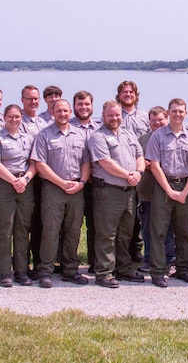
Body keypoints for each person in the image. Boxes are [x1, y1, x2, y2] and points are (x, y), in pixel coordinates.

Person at [31, 99, 92, 288]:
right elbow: (40, 164)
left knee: (73, 231)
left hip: (76, 189)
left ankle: (70, 270)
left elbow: (86, 162)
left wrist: (81, 182)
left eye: (66, 110)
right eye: (59, 111)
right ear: (53, 112)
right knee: (50, 230)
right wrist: (61, 182)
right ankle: (46, 271)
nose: (63, 114)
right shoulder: (44, 135)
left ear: (70, 111)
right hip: (53, 189)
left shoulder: (80, 135)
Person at [88, 100, 146, 288]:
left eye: (117, 115)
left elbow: (140, 155)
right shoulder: (98, 137)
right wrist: (129, 175)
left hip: (128, 192)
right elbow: (105, 162)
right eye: (110, 115)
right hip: (108, 192)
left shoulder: (128, 134)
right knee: (107, 233)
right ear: (103, 116)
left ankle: (124, 268)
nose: (114, 118)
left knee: (125, 233)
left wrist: (139, 172)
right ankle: (104, 272)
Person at [145, 99, 188, 287]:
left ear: (185, 114)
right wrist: (168, 190)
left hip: (185, 187)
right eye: (174, 111)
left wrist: (185, 191)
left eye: (181, 111)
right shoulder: (158, 136)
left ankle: (183, 269)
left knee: (184, 231)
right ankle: (158, 272)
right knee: (159, 232)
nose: (178, 114)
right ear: (169, 113)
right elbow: (154, 165)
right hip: (163, 187)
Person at [0, 104, 38, 287]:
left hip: (24, 185)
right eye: (10, 116)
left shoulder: (29, 138)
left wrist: (25, 179)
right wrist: (13, 180)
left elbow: (34, 162)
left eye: (17, 116)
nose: (14, 120)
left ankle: (21, 270)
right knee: (4, 230)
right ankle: (5, 271)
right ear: (4, 118)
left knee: (23, 230)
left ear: (21, 117)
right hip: (4, 185)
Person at [70, 90, 103, 275]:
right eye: (80, 104)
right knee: (70, 225)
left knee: (95, 224)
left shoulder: (99, 128)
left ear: (92, 106)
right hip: (71, 183)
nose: (84, 107)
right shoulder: (66, 126)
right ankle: (67, 263)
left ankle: (94, 262)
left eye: (87, 104)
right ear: (74, 106)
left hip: (94, 184)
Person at [116, 80, 150, 263]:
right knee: (123, 212)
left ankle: (137, 248)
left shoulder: (145, 117)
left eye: (131, 92)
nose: (128, 95)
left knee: (139, 212)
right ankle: (121, 250)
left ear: (136, 95)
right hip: (120, 170)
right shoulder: (114, 115)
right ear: (119, 95)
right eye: (124, 92)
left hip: (141, 170)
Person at [19, 84, 47, 277]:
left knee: (39, 223)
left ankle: (38, 262)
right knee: (22, 225)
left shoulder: (43, 123)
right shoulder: (16, 121)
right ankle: (20, 265)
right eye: (29, 98)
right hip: (22, 179)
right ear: (22, 100)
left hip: (41, 180)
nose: (33, 102)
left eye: (36, 98)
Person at [136, 106, 168, 273]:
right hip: (147, 190)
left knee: (167, 228)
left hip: (168, 190)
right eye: (153, 121)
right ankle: (148, 258)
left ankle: (168, 259)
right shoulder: (142, 140)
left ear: (166, 119)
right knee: (148, 227)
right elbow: (138, 159)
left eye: (160, 120)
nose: (157, 123)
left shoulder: (171, 137)